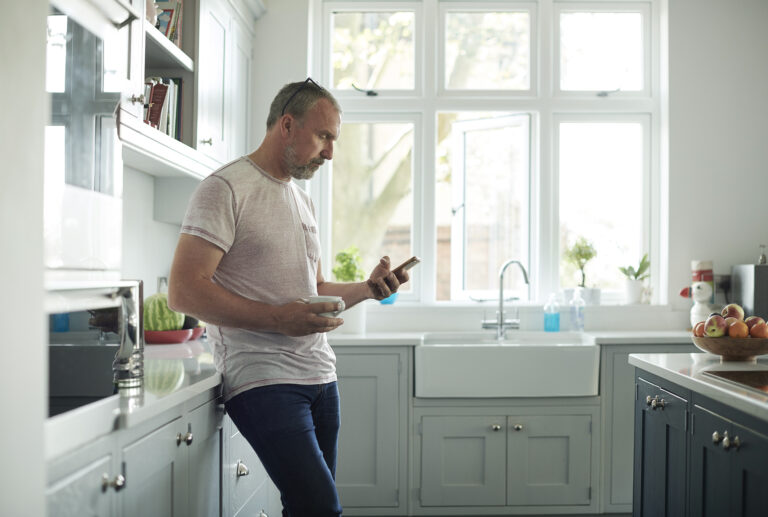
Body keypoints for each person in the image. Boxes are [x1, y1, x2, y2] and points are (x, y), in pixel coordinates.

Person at [167, 78, 409, 516]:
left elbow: (313, 291)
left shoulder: (302, 201)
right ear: (287, 125)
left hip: (320, 376)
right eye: (324, 137)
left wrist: (368, 290)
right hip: (262, 379)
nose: (331, 153)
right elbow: (184, 291)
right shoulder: (225, 188)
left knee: (308, 509)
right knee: (320, 508)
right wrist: (279, 319)